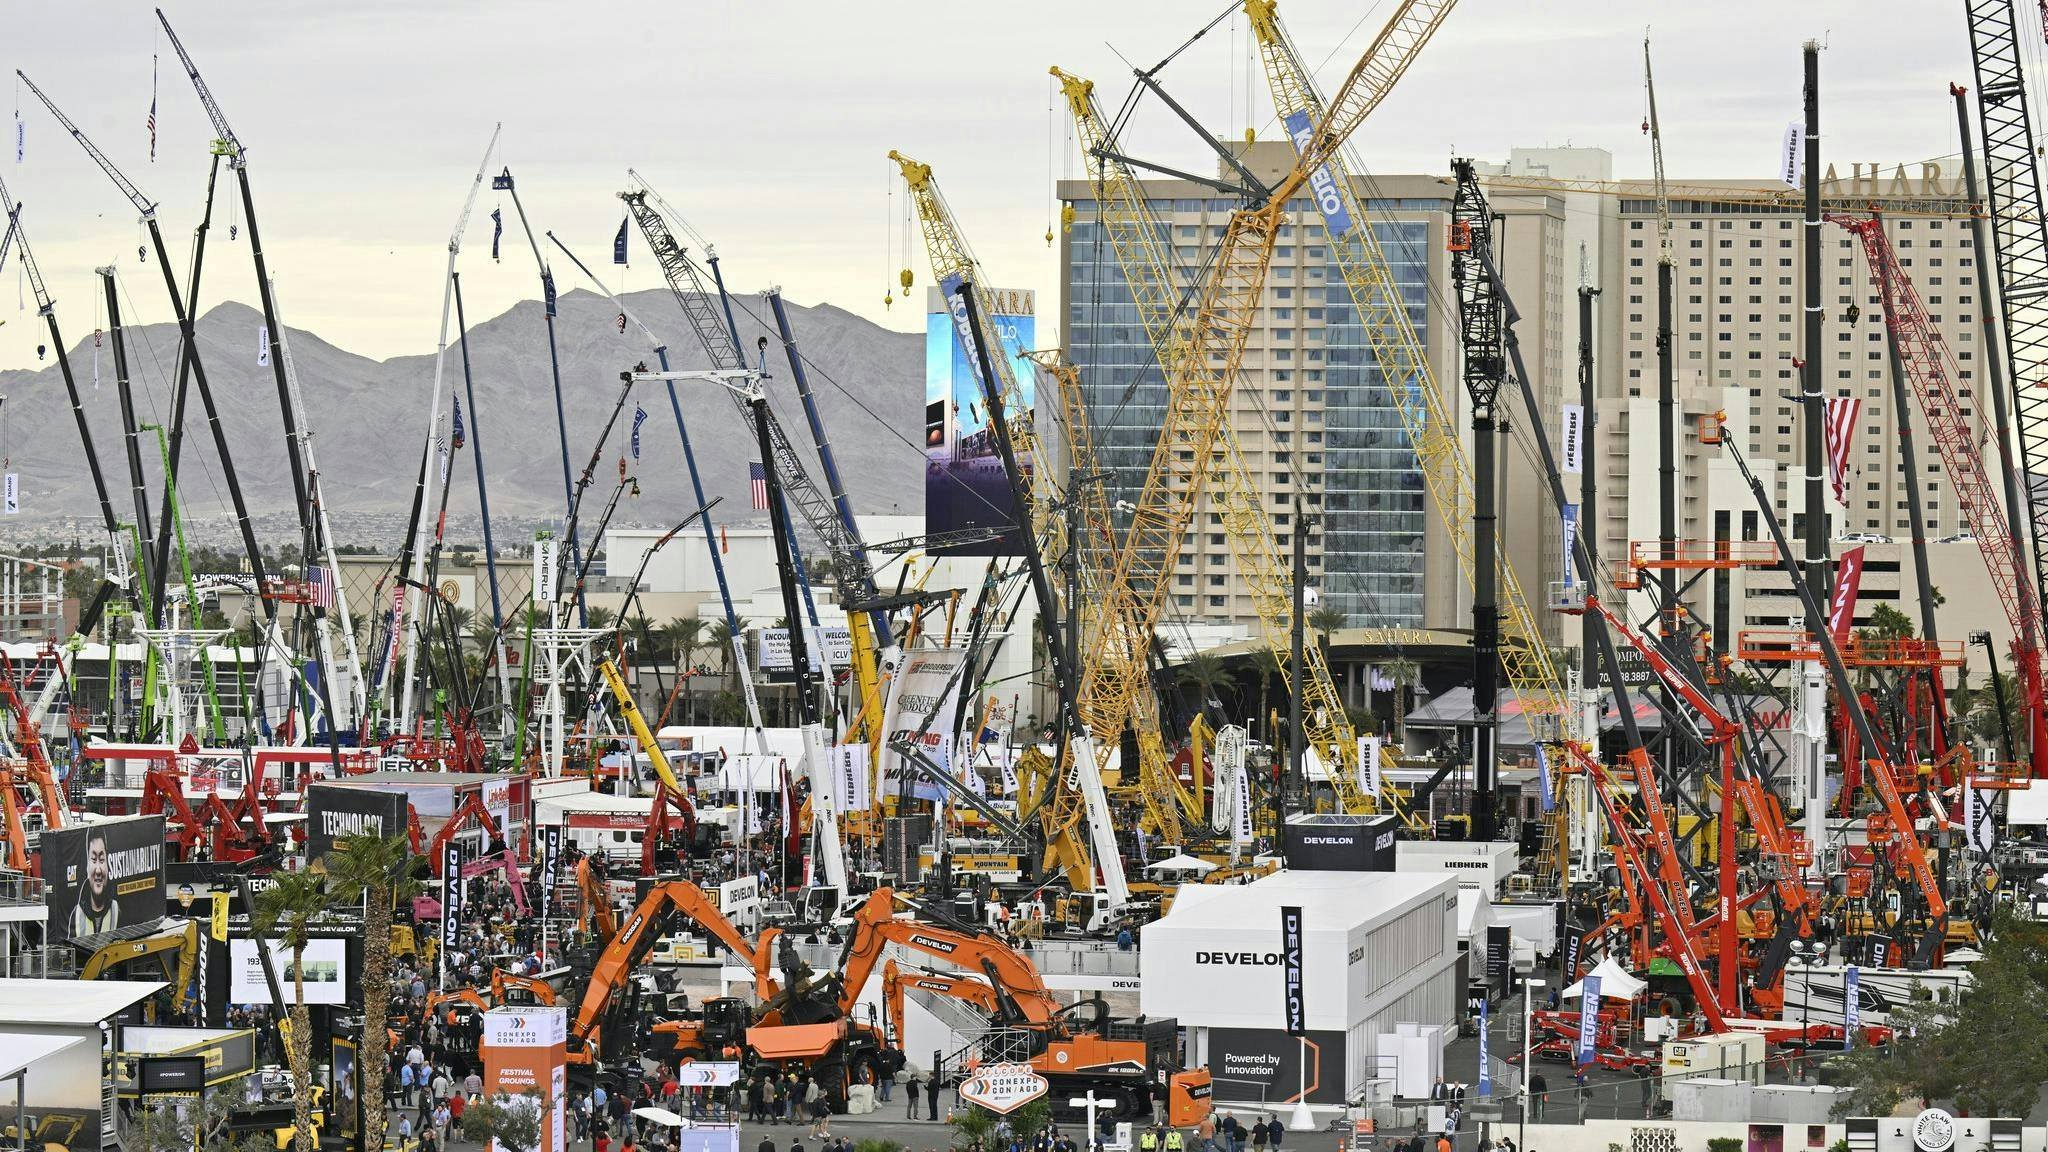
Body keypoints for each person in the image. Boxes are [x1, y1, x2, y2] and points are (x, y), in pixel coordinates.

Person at [69, 828, 120, 937]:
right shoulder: (77, 915)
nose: (98, 870)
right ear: (87, 866)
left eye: (102, 860)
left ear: (108, 865)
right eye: (93, 859)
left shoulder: (116, 910)